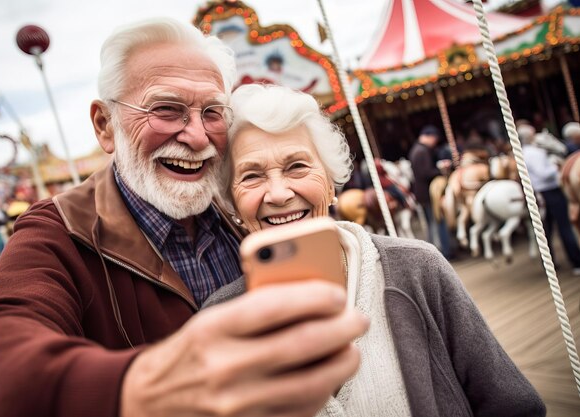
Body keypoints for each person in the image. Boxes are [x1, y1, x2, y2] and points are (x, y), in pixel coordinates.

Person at [0, 18, 369, 417]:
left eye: (212, 112)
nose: (197, 136)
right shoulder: (60, 232)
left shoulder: (241, 203)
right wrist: (135, 389)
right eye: (167, 110)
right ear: (105, 125)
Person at [209, 83, 545, 416]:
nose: (279, 193)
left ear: (330, 180)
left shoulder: (418, 267)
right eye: (252, 176)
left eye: (297, 166)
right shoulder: (218, 321)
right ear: (232, 201)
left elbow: (514, 406)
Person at [519, 123, 580, 275]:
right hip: (550, 191)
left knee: (547, 230)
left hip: (539, 194)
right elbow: (543, 173)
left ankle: (550, 263)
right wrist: (556, 166)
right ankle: (576, 261)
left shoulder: (524, 152)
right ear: (530, 136)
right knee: (564, 227)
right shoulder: (534, 152)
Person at [408, 125, 452, 258]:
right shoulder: (422, 151)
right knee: (437, 222)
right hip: (429, 194)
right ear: (429, 137)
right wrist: (440, 170)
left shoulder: (417, 150)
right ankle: (443, 251)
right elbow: (425, 172)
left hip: (422, 193)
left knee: (432, 223)